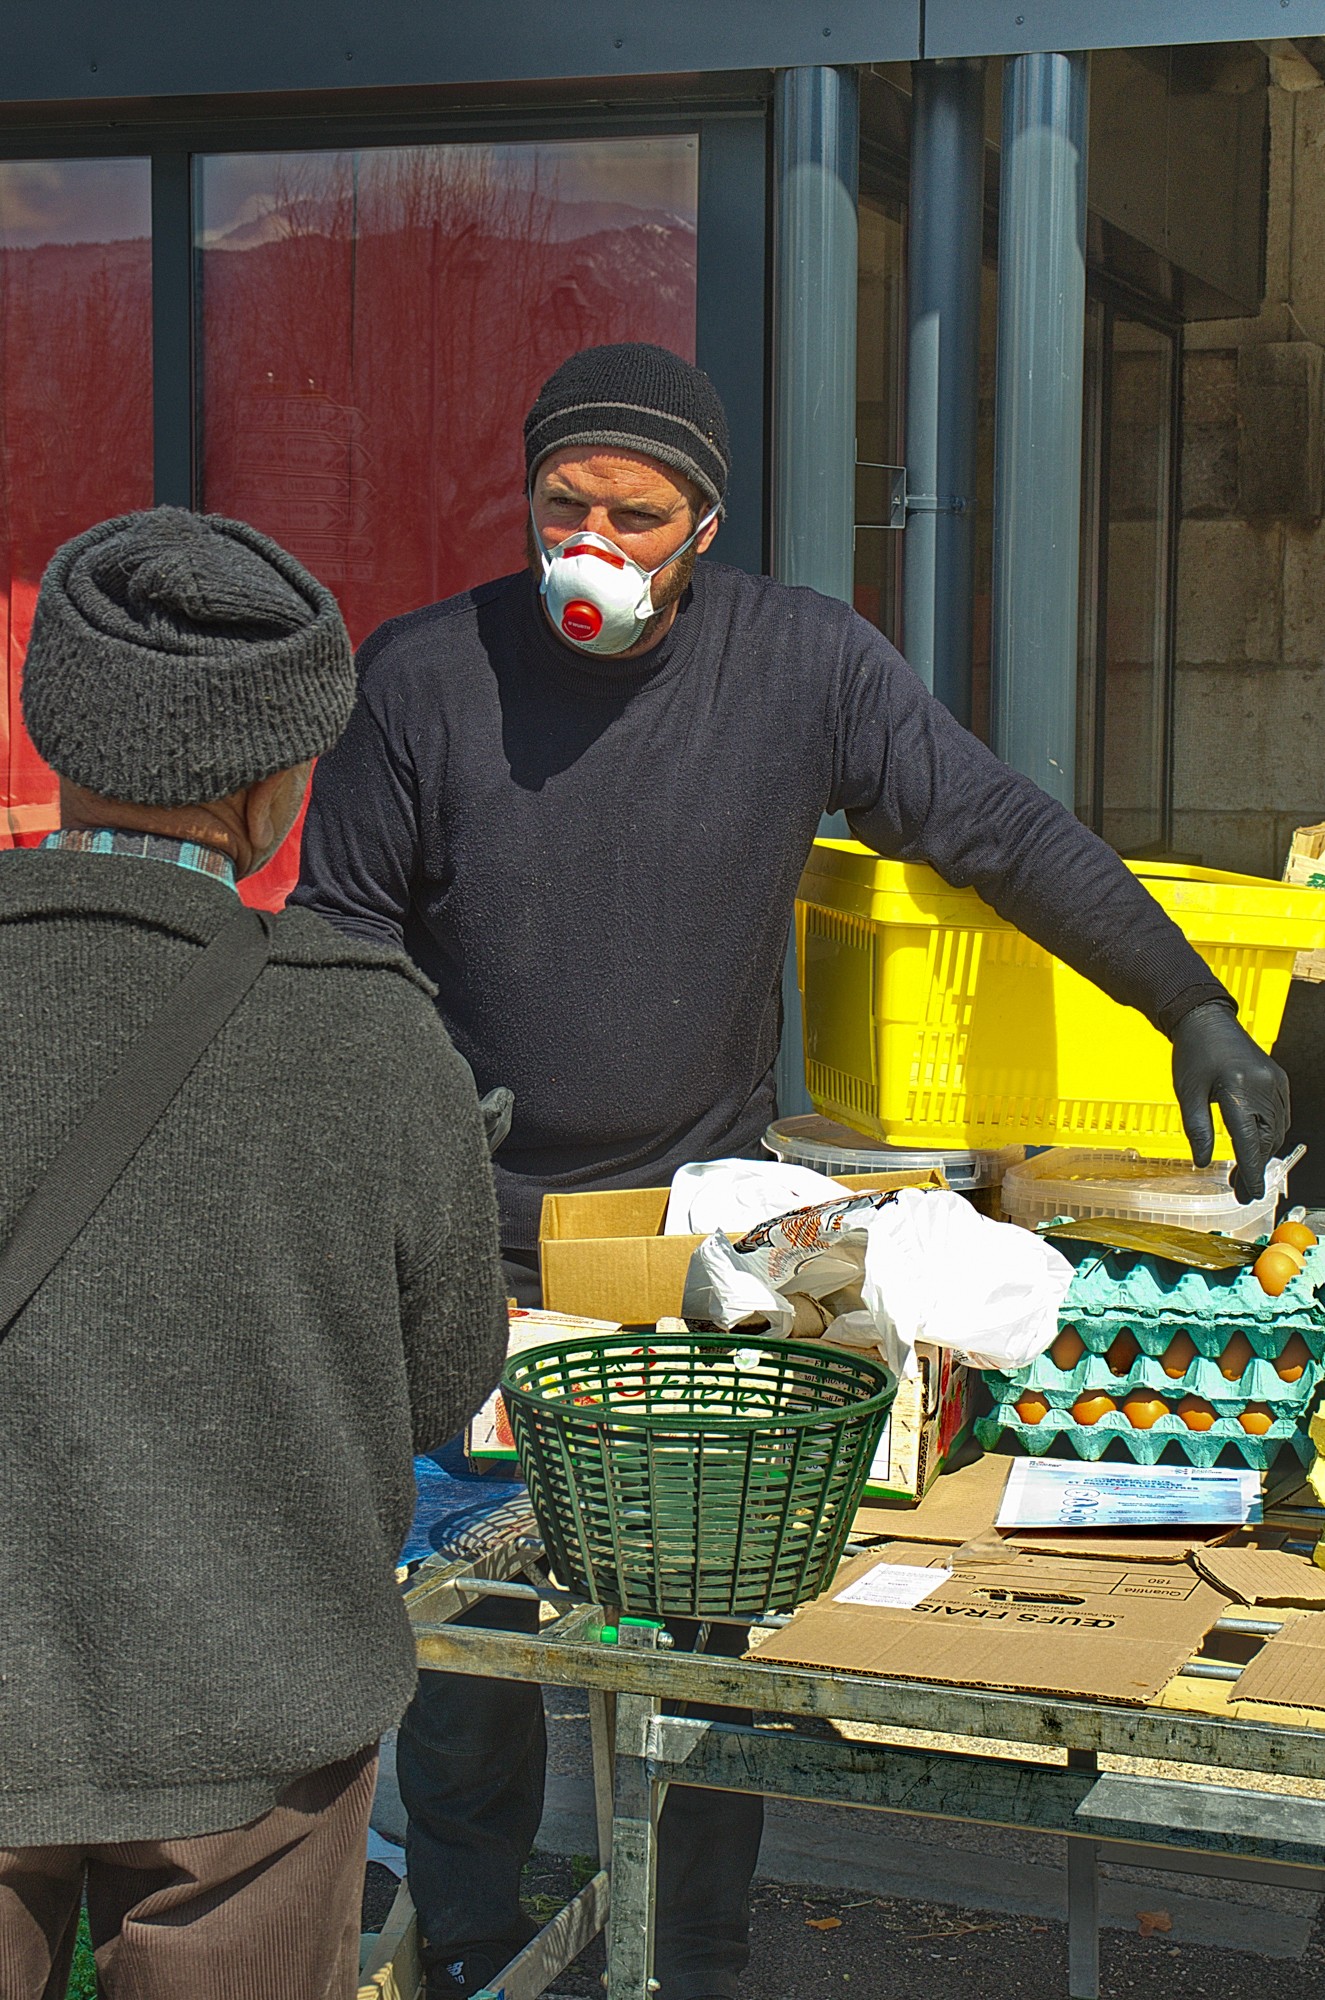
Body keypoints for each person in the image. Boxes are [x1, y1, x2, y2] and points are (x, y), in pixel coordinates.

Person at [292, 342, 1289, 2000]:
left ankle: (689, 1963)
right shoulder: (422, 681)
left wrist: (1185, 1001)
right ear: (525, 495)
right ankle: (472, 1953)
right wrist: (396, 1136)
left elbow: (997, 828)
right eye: (562, 504)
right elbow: (336, 941)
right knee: (465, 1668)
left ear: (704, 524)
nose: (590, 543)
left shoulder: (800, 665)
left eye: (636, 511)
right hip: (464, 1248)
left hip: (692, 1256)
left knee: (702, 1647)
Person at [0, 508, 507, 2000]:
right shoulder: (368, 1030)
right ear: (277, 785)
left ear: (51, 727)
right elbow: (441, 1382)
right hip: (253, 1716)